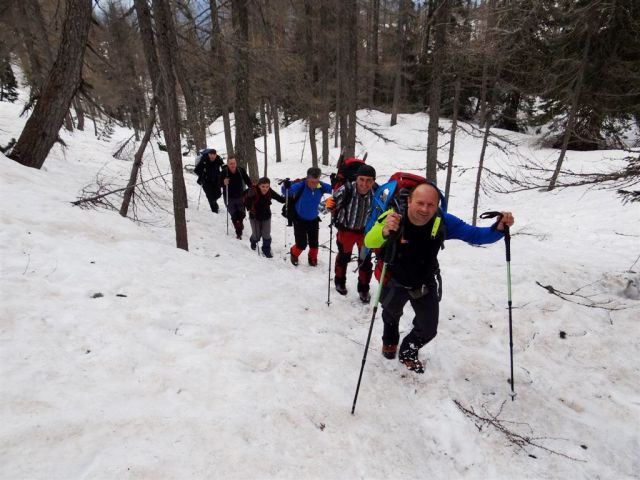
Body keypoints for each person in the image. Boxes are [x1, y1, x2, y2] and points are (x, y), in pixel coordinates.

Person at [364, 182, 515, 374]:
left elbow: (475, 235)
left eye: (431, 205)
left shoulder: (442, 221)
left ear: (437, 206)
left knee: (428, 328)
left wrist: (499, 229)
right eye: (420, 203)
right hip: (394, 280)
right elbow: (369, 241)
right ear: (409, 201)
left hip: (424, 282)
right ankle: (389, 342)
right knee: (391, 315)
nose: (425, 209)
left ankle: (408, 350)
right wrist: (384, 231)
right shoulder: (393, 218)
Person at [326, 164, 377, 303]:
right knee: (343, 257)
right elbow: (325, 206)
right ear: (357, 178)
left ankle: (363, 288)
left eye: (369, 180)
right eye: (361, 179)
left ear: (373, 181)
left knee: (365, 262)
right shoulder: (346, 189)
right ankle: (339, 281)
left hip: (366, 233)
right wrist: (328, 204)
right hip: (346, 230)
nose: (364, 184)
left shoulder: (377, 193)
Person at [282, 167, 332, 266]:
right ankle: (294, 253)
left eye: (316, 181)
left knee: (314, 243)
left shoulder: (320, 186)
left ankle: (312, 258)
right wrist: (285, 186)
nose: (314, 184)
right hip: (299, 219)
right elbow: (287, 191)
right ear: (307, 178)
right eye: (312, 181)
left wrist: (337, 182)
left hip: (313, 219)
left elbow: (336, 190)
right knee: (301, 244)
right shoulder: (301, 185)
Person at [244, 177, 285, 258]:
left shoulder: (269, 191)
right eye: (263, 186)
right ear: (259, 186)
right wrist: (249, 197)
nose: (265, 189)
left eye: (267, 186)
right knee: (256, 236)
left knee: (266, 235)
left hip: (266, 216)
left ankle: (266, 250)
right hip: (254, 216)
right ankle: (253, 241)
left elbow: (279, 198)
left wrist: (287, 197)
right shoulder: (253, 191)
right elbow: (246, 203)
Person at [222, 156, 253, 239]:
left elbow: (247, 179)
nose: (233, 165)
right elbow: (219, 183)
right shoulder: (224, 172)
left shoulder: (240, 170)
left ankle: (240, 223)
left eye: (234, 163)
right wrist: (224, 183)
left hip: (240, 195)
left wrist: (251, 187)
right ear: (228, 164)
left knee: (242, 214)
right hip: (229, 197)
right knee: (234, 215)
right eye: (231, 163)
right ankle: (238, 232)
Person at [194, 148, 224, 213]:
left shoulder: (218, 159)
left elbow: (224, 167)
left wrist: (223, 173)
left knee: (218, 194)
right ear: (208, 154)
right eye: (211, 154)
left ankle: (214, 203)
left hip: (216, 180)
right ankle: (214, 211)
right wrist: (202, 176)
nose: (212, 156)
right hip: (206, 181)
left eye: (214, 154)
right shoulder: (204, 159)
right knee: (210, 196)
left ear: (216, 155)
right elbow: (196, 170)